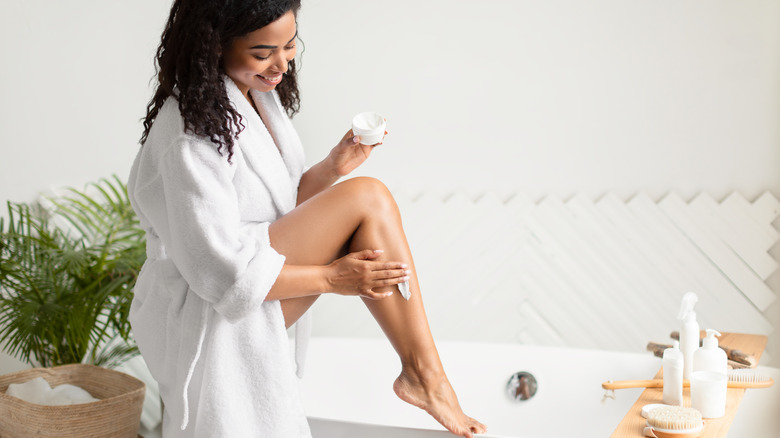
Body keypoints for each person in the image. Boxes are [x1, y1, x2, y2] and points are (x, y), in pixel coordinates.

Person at [128, 0, 487, 436]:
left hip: (248, 276)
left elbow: (273, 208)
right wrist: (331, 279)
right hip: (204, 307)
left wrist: (332, 167)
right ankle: (426, 377)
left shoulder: (253, 96)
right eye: (263, 53)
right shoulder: (189, 134)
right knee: (367, 198)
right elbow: (218, 273)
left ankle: (425, 376)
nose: (280, 65)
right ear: (214, 46)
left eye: (290, 45)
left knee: (366, 197)